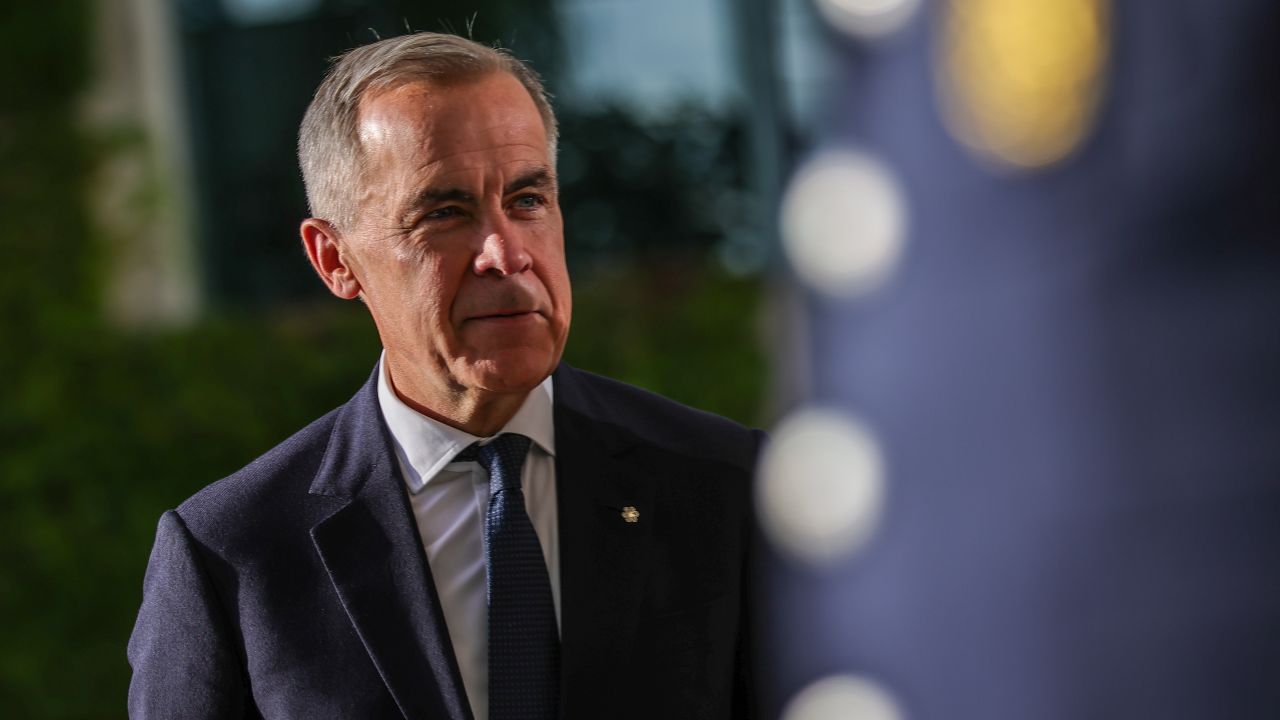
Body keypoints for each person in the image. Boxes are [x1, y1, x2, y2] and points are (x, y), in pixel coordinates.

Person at [127, 32, 762, 720]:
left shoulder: (730, 487)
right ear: (335, 259)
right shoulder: (231, 553)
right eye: (444, 213)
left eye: (527, 200)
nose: (505, 254)